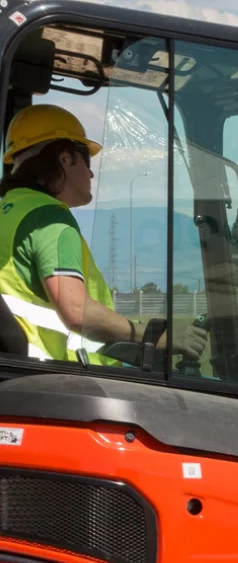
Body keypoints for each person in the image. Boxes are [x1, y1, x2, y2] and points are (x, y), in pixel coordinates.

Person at [0, 104, 206, 366]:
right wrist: (155, 338)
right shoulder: (48, 218)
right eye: (86, 160)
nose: (91, 173)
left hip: (19, 371)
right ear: (65, 158)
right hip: (54, 378)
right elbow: (76, 311)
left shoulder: (8, 212)